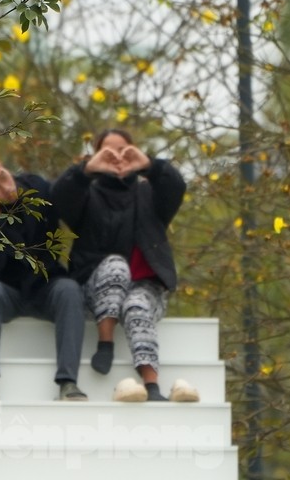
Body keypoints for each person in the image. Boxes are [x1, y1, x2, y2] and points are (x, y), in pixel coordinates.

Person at [52, 129, 196, 402]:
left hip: (145, 286)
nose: (117, 157)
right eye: (109, 151)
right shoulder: (87, 195)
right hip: (95, 289)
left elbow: (176, 186)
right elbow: (60, 196)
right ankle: (105, 343)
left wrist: (151, 166)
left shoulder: (150, 194)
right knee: (116, 265)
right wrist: (86, 169)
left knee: (137, 305)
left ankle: (152, 386)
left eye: (123, 150)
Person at [0, 155, 87, 402]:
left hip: (47, 287)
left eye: (3, 176)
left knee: (69, 289)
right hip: (7, 294)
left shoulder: (39, 189)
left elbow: (73, 201)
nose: (7, 188)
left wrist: (81, 171)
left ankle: (68, 383)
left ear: (2, 164)